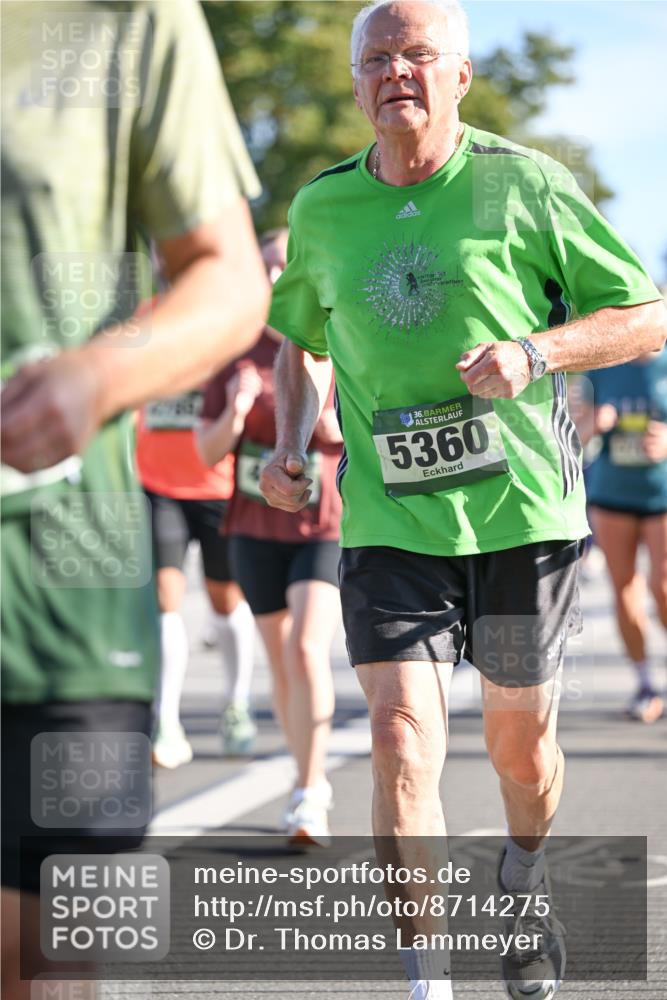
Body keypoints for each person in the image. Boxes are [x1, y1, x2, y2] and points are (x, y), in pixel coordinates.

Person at [258, 1, 667, 997]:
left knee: (518, 750)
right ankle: (426, 979)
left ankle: (525, 874)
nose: (395, 72)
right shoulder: (321, 209)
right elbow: (299, 342)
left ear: (460, 75)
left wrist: (536, 353)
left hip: (522, 517)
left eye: (417, 55)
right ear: (356, 83)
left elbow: (645, 316)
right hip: (390, 519)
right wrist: (286, 442)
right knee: (400, 738)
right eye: (376, 59)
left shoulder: (525, 184)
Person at [0, 2, 269, 997]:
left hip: (66, 578)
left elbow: (228, 276)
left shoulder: (126, 17)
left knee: (50, 955)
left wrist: (98, 377)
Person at [197, 229, 344, 845]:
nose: (280, 270)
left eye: (288, 261)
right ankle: (302, 772)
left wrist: (310, 413)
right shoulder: (235, 351)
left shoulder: (337, 339)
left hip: (322, 523)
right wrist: (237, 409)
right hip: (254, 524)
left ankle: (311, 791)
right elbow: (206, 450)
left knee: (308, 650)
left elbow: (348, 435)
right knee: (282, 661)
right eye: (268, 264)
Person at [136, 295, 257, 767]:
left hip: (217, 484)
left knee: (225, 600)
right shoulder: (143, 316)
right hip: (156, 483)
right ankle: (165, 719)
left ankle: (237, 704)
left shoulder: (222, 307)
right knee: (164, 600)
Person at [575, 348, 667, 722]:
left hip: (661, 495)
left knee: (662, 586)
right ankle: (645, 684)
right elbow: (572, 438)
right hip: (612, 496)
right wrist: (595, 423)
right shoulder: (605, 369)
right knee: (623, 588)